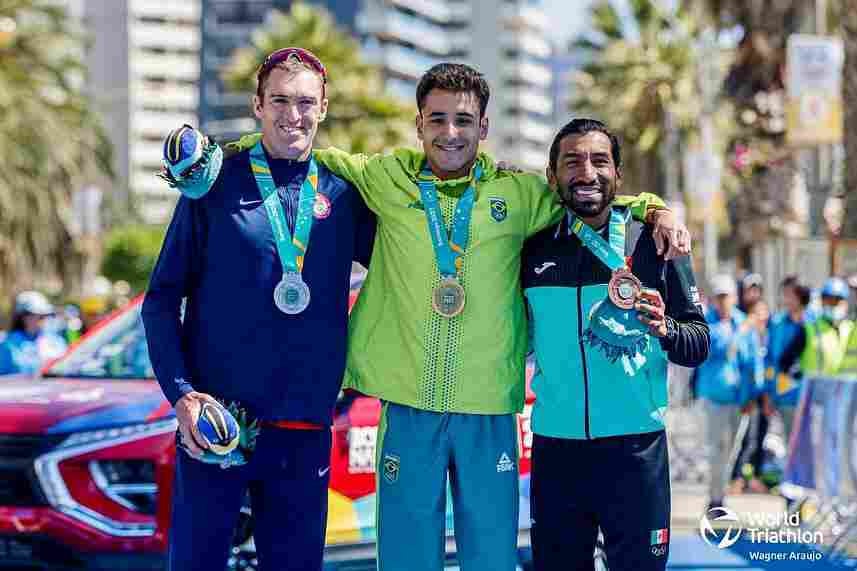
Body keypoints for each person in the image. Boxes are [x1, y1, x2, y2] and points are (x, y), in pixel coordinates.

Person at [171, 63, 692, 570]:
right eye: (437, 119)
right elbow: (301, 149)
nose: (450, 132)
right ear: (419, 124)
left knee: (490, 562)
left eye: (463, 120)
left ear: (483, 127)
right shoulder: (384, 177)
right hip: (408, 410)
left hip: (489, 411)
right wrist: (230, 151)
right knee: (406, 560)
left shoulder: (520, 194)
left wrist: (655, 208)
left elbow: (592, 196)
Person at [141, 48, 375, 571]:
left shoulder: (344, 194)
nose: (294, 114)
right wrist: (182, 396)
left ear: (323, 107)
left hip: (304, 425)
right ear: (257, 105)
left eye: (306, 102)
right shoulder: (213, 184)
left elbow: (404, 272)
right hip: (218, 423)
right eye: (280, 101)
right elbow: (161, 301)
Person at [520, 118, 709, 571]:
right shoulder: (531, 248)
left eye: (599, 161)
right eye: (572, 162)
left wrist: (666, 328)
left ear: (618, 175)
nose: (587, 172)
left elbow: (698, 342)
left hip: (635, 450)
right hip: (557, 450)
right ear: (552, 177)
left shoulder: (655, 241)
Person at [695, 274, 764, 511]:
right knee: (716, 449)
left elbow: (754, 360)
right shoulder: (706, 323)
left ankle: (721, 494)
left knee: (732, 452)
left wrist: (754, 393)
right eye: (720, 296)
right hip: (714, 398)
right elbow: (718, 349)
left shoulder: (742, 322)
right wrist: (741, 331)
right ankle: (715, 498)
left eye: (727, 296)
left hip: (739, 399)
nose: (723, 301)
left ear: (734, 297)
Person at [764, 276, 812, 446]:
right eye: (784, 294)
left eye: (790, 294)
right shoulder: (777, 324)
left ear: (801, 295)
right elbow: (770, 361)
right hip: (787, 398)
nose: (786, 299)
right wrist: (768, 394)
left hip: (812, 398)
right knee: (792, 447)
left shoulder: (815, 322)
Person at [0, 291, 67, 376]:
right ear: (23, 317)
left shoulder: (56, 342)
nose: (44, 319)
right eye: (40, 316)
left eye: (46, 315)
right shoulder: (8, 345)